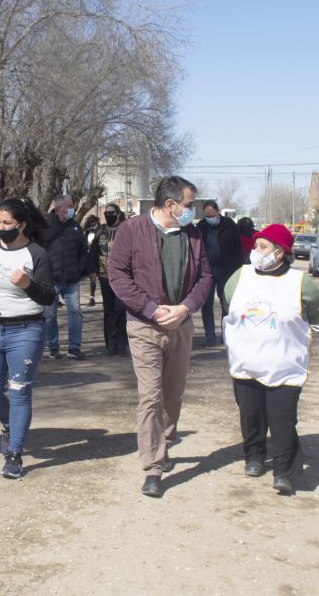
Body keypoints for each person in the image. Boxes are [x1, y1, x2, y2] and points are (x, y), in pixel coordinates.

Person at [107, 176, 213, 497]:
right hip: (144, 325)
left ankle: (164, 442)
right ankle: (152, 467)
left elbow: (206, 276)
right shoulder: (132, 230)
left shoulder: (193, 234)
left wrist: (186, 307)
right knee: (150, 396)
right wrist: (151, 309)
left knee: (172, 395)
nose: (192, 211)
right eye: (189, 205)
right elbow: (117, 275)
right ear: (171, 205)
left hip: (180, 324)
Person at [223, 224, 319, 493]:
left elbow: (316, 312)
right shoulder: (241, 276)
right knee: (251, 416)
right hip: (246, 362)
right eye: (256, 246)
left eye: (263, 247)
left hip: (284, 365)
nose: (256, 251)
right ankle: (254, 457)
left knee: (282, 420)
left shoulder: (300, 281)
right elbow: (228, 300)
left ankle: (284, 471)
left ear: (280, 252)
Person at [0, 198, 55, 478]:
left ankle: (15, 453)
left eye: (7, 223)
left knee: (19, 392)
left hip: (26, 330)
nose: (1, 227)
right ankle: (9, 423)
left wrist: (28, 284)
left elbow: (48, 296)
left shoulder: (36, 254)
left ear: (21, 225)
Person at [43, 194, 87, 360]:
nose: (72, 209)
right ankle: (53, 347)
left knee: (75, 311)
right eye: (69, 206)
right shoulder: (45, 227)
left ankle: (74, 348)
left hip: (71, 279)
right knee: (50, 315)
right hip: (51, 279)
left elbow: (83, 250)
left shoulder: (75, 227)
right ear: (59, 208)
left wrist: (80, 268)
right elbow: (38, 250)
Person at [195, 200, 243, 347]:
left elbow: (237, 249)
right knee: (207, 304)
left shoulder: (229, 225)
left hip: (226, 270)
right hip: (207, 271)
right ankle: (210, 337)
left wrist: (237, 270)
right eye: (207, 215)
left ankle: (226, 334)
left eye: (212, 214)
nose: (210, 218)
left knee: (225, 304)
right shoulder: (201, 226)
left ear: (218, 212)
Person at [96, 203, 128, 356]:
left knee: (121, 310)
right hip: (104, 278)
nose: (109, 215)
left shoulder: (126, 230)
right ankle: (111, 344)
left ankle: (122, 344)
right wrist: (91, 272)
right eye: (106, 213)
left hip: (123, 278)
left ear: (118, 213)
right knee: (108, 311)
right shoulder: (101, 232)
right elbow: (94, 253)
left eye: (111, 212)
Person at [82, 214, 101, 307]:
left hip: (100, 257)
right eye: (90, 223)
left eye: (93, 222)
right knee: (92, 277)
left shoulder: (101, 230)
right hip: (90, 258)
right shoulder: (88, 231)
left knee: (103, 279)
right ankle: (92, 298)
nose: (92, 224)